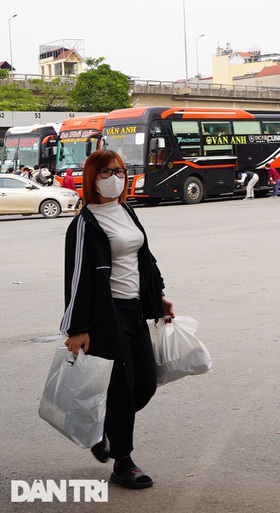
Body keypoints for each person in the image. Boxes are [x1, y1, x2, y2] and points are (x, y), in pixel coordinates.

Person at [60, 149, 174, 490]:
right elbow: (77, 276)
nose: (115, 178)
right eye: (106, 172)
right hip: (107, 315)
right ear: (92, 178)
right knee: (123, 388)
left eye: (120, 171)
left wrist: (159, 296)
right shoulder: (85, 223)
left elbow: (144, 259)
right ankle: (123, 463)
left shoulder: (126, 210)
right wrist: (77, 328)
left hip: (135, 309)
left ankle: (104, 429)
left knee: (146, 384)